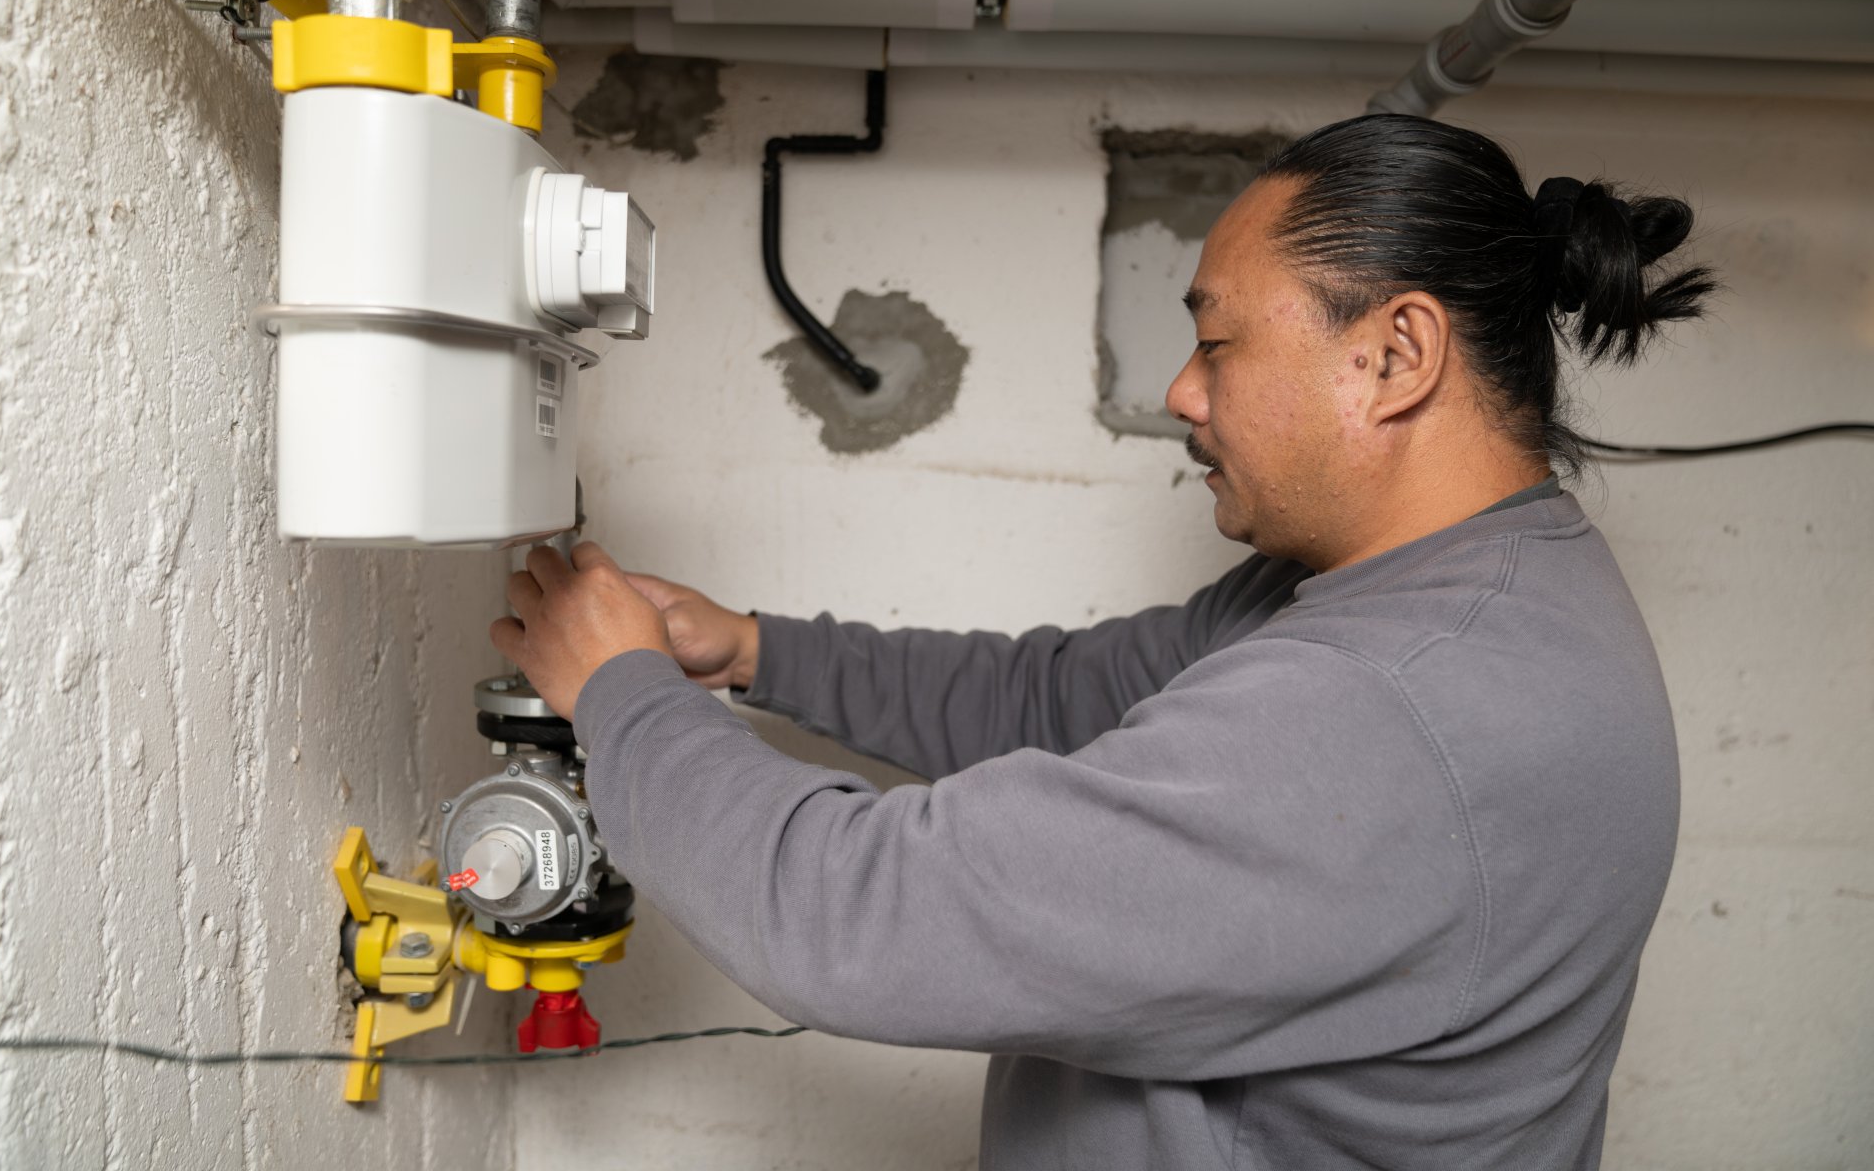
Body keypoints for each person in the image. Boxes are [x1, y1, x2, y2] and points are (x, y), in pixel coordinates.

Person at [490, 113, 1714, 1170]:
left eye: (1218, 341)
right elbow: (1070, 692)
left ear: (1394, 354)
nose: (1185, 390)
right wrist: (753, 648)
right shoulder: (1450, 589)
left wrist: (623, 694)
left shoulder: (1393, 706)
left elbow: (866, 918)